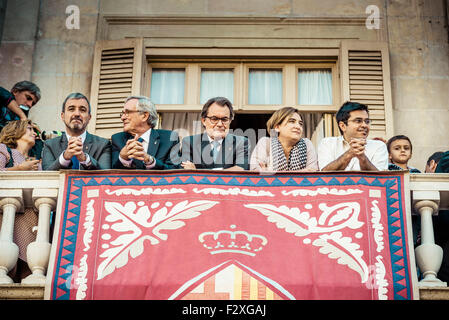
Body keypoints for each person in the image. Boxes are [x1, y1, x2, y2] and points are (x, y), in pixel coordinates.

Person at [0, 120, 41, 282]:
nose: (34, 133)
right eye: (29, 129)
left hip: (30, 217)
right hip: (7, 214)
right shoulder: (4, 150)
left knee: (29, 264)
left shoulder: (36, 161)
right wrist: (19, 169)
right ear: (16, 131)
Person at [41, 92, 111, 170]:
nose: (77, 114)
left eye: (82, 110)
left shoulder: (103, 145)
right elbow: (47, 177)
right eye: (71, 109)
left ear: (89, 117)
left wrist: (85, 159)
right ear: (63, 116)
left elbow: (106, 175)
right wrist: (64, 158)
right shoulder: (50, 145)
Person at [179, 96, 249, 170]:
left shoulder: (241, 142)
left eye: (224, 119)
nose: (219, 124)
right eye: (214, 119)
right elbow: (186, 171)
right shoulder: (189, 142)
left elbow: (241, 170)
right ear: (204, 121)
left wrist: (197, 171)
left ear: (230, 121)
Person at [111, 95, 179, 170]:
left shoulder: (170, 138)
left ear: (144, 116)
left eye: (128, 112)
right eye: (122, 113)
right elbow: (111, 175)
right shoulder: (117, 139)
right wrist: (123, 158)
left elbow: (175, 171)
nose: (122, 118)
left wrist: (150, 161)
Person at [317, 101, 388, 171]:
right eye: (358, 121)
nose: (364, 125)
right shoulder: (328, 143)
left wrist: (362, 158)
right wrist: (349, 153)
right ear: (343, 126)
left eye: (367, 121)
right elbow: (325, 174)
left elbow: (380, 179)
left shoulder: (379, 146)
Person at [250, 107, 318, 172]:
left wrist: (271, 172)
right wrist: (301, 172)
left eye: (300, 124)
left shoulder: (307, 144)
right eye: (292, 121)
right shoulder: (266, 143)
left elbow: (312, 173)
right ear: (277, 127)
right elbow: (255, 170)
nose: (298, 126)